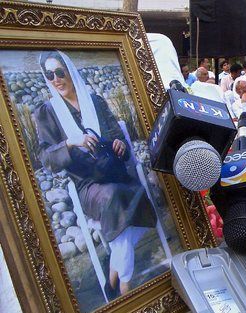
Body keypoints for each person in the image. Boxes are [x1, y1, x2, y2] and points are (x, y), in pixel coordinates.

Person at [35, 50, 157, 297]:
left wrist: (120, 146)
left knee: (134, 194)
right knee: (114, 198)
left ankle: (112, 275)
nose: (56, 79)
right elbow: (47, 159)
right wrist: (71, 142)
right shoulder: (46, 113)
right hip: (88, 185)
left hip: (114, 173)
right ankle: (125, 286)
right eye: (49, 75)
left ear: (70, 72)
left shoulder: (95, 102)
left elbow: (118, 138)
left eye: (60, 72)